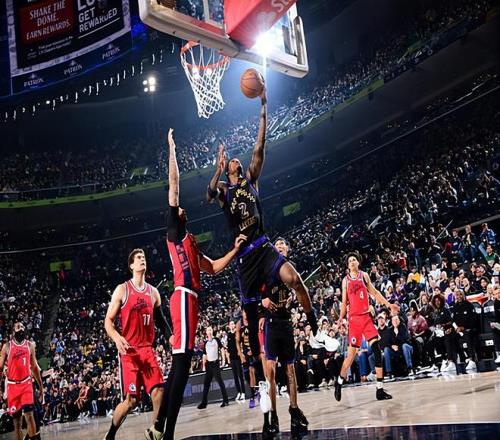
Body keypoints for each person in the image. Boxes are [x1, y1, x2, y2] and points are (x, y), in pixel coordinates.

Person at [146, 129, 246, 440]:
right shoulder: (175, 230)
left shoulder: (190, 240)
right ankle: (166, 431)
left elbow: (212, 267)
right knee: (182, 363)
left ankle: (160, 426)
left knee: (181, 365)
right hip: (183, 296)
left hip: (190, 301)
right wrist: (172, 149)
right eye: (179, 209)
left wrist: (235, 250)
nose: (183, 209)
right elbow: (174, 186)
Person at [206, 84, 319, 360]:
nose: (236, 160)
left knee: (294, 279)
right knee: (251, 312)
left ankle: (314, 324)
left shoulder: (251, 180)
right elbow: (208, 194)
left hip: (263, 246)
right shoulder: (224, 190)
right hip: (245, 256)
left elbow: (260, 144)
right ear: (228, 170)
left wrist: (264, 106)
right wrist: (217, 169)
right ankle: (256, 364)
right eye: (231, 161)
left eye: (236, 160)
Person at [104, 248, 168, 440]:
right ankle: (110, 434)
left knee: (158, 391)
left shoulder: (153, 292)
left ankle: (155, 433)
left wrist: (171, 337)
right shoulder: (122, 289)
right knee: (131, 401)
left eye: (144, 257)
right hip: (129, 351)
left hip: (147, 350)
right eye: (138, 258)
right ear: (131, 265)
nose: (142, 260)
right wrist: (116, 337)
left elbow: (161, 320)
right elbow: (108, 321)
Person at [260, 238, 309, 437]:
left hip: (286, 323)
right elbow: (253, 287)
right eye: (277, 244)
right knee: (270, 371)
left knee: (290, 369)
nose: (280, 246)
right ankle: (273, 415)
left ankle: (294, 410)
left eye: (283, 244)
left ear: (287, 249)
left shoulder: (292, 269)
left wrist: (296, 301)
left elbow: (301, 292)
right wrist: (262, 300)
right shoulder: (267, 267)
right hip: (271, 324)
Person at [334, 252, 399, 402]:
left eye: (354, 259)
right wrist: (340, 318)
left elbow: (375, 292)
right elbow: (344, 302)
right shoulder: (345, 280)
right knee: (350, 356)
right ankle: (339, 382)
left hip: (366, 318)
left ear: (358, 262)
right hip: (354, 320)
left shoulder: (364, 276)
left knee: (377, 350)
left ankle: (379, 389)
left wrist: (389, 305)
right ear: (347, 265)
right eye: (350, 260)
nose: (352, 262)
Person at [0, 322, 44, 440]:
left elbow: (34, 367)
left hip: (26, 384)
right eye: (18, 327)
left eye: (23, 327)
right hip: (12, 386)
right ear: (13, 331)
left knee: (29, 415)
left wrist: (40, 386)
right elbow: (0, 367)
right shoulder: (7, 346)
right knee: (17, 422)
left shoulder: (29, 345)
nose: (21, 329)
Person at [197, 327, 229, 409]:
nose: (209, 331)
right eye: (208, 330)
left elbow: (222, 349)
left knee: (220, 382)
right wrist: (204, 366)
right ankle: (204, 403)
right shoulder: (205, 343)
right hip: (208, 365)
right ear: (206, 332)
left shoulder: (216, 340)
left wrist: (223, 360)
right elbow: (204, 355)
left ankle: (225, 400)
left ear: (212, 331)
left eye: (210, 330)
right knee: (206, 384)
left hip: (215, 364)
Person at [227, 320, 246, 401]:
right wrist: (228, 358)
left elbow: (241, 344)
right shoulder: (228, 335)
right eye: (231, 324)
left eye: (233, 324)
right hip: (232, 358)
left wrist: (241, 354)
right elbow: (228, 348)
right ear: (229, 326)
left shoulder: (237, 334)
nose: (232, 325)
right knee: (235, 377)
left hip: (238, 358)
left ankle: (243, 393)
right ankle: (239, 392)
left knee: (240, 376)